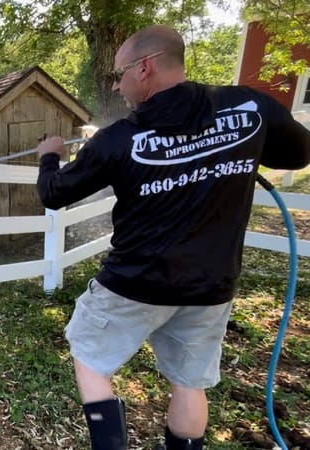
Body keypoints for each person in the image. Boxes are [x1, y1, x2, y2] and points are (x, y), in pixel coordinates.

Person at [36, 25, 310, 450]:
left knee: (90, 359)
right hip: (210, 286)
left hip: (134, 283)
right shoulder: (250, 108)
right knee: (188, 381)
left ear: (144, 68)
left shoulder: (118, 138)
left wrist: (49, 155)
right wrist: (229, 150)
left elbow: (54, 193)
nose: (116, 85)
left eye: (119, 74)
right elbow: (299, 153)